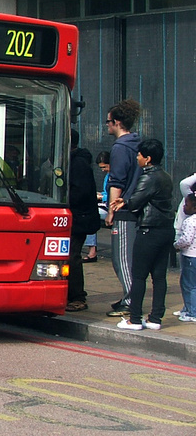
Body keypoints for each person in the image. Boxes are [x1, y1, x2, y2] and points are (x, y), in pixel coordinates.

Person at [111, 138, 174, 331]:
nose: (137, 157)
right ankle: (155, 318)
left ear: (147, 159)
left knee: (138, 275)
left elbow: (137, 201)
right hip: (165, 230)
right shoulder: (165, 176)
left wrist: (123, 203)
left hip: (149, 230)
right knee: (159, 276)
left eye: (139, 155)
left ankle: (135, 319)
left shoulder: (148, 177)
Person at [104, 98, 142, 317]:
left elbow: (116, 181)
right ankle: (130, 296)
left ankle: (130, 299)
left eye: (108, 122)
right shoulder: (137, 143)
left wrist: (111, 211)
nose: (107, 125)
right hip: (137, 206)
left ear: (117, 122)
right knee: (131, 258)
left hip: (124, 211)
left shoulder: (120, 147)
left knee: (122, 259)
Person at [66, 129, 101, 312]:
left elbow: (80, 192)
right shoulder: (72, 161)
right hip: (75, 217)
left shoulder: (78, 163)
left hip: (79, 218)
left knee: (72, 256)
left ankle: (78, 296)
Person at [173, 172, 196, 317]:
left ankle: (192, 312)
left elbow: (186, 239)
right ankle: (188, 308)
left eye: (185, 204)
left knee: (189, 285)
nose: (183, 206)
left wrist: (176, 245)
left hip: (190, 256)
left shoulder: (189, 221)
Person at [83, 150, 111, 263]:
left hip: (110, 206)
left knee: (90, 215)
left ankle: (92, 252)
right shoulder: (108, 176)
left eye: (104, 167)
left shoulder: (115, 175)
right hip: (106, 204)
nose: (103, 170)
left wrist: (101, 197)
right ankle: (92, 250)